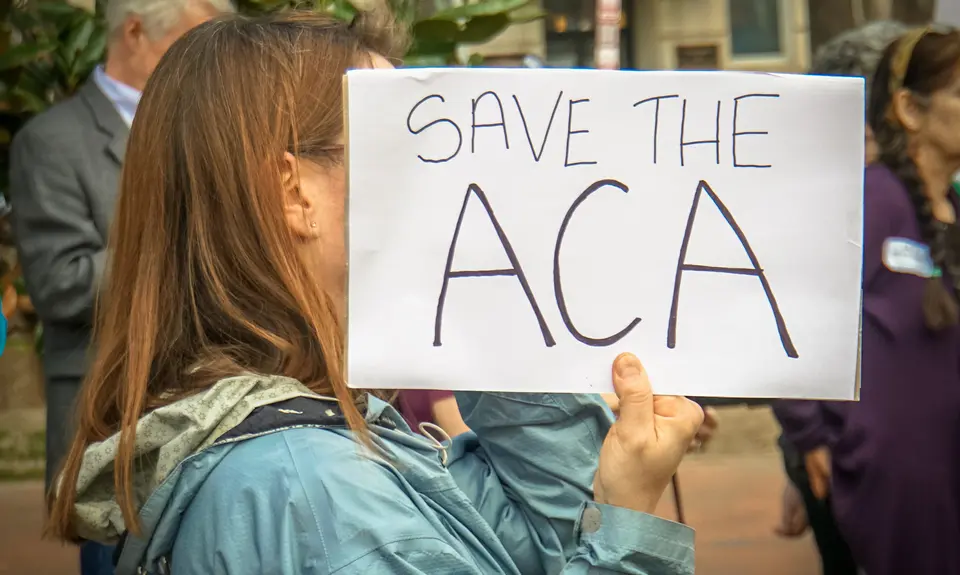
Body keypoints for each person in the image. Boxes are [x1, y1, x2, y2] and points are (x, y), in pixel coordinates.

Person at [44, 11, 705, 575]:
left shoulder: (305, 438)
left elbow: (541, 543)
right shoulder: (316, 491)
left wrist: (496, 315)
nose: (442, 177)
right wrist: (628, 521)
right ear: (293, 191)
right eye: (406, 147)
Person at [8, 1, 230, 572]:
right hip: (115, 429)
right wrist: (179, 227)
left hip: (215, 422)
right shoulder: (52, 141)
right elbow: (60, 286)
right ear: (134, 31)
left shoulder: (213, 123)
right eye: (190, 44)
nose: (208, 65)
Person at [784, 26, 960, 575]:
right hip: (893, 475)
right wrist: (810, 435)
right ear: (909, 108)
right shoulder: (868, 203)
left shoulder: (952, 206)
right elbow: (795, 319)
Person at [771, 20, 908, 575]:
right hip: (846, 447)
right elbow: (789, 324)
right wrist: (806, 443)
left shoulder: (918, 194)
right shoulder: (822, 199)